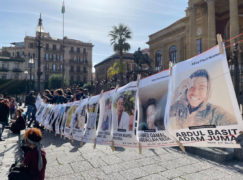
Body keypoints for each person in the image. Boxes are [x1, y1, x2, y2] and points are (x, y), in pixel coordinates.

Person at [170, 69, 237, 129]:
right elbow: (163, 116)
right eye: (191, 86)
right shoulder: (180, 105)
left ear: (207, 92)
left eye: (202, 88)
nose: (195, 92)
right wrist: (177, 92)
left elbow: (236, 126)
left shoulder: (215, 112)